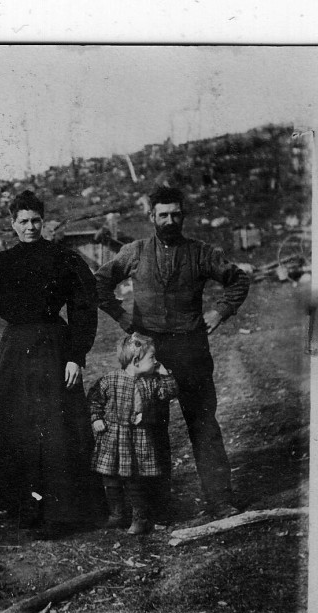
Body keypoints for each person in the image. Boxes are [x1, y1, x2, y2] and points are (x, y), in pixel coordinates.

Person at [0, 189, 101, 537]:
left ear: (44, 222)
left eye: (35, 221)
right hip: (17, 353)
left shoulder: (64, 258)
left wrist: (76, 357)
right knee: (20, 428)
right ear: (13, 225)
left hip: (54, 349)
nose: (30, 227)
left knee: (56, 429)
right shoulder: (5, 261)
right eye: (23, 221)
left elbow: (84, 308)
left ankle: (62, 512)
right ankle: (26, 509)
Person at [94, 185, 250, 519]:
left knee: (203, 425)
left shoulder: (200, 252)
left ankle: (219, 499)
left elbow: (237, 280)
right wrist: (123, 317)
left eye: (175, 214)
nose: (169, 220)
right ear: (151, 216)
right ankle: (157, 505)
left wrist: (220, 311)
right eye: (162, 214)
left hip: (192, 350)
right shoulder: (134, 252)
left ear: (183, 215)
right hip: (150, 354)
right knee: (150, 428)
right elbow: (99, 282)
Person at [88, 333, 178, 535]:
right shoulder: (110, 380)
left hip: (138, 438)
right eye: (152, 358)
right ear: (136, 361)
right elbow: (94, 399)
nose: (156, 361)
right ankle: (117, 514)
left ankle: (140, 518)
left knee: (135, 480)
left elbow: (169, 393)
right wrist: (97, 418)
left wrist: (165, 374)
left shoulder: (152, 382)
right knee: (110, 477)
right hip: (113, 437)